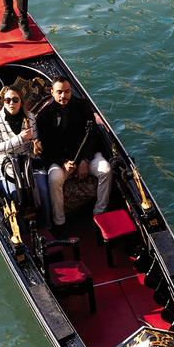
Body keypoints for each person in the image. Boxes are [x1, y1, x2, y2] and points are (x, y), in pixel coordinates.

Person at [37, 77, 112, 235]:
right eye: (59, 92)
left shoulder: (82, 106)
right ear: (52, 93)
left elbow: (93, 135)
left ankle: (99, 213)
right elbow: (47, 146)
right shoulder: (44, 115)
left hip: (87, 155)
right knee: (54, 179)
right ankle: (60, 222)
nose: (63, 96)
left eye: (67, 91)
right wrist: (63, 162)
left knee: (105, 170)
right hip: (60, 160)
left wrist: (85, 160)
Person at [0, 85, 39, 197]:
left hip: (29, 165)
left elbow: (35, 143)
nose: (11, 103)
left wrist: (36, 147)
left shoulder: (30, 118)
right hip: (6, 169)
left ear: (21, 102)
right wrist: (20, 139)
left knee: (43, 193)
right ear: (4, 102)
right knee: (16, 196)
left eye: (15, 100)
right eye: (7, 100)